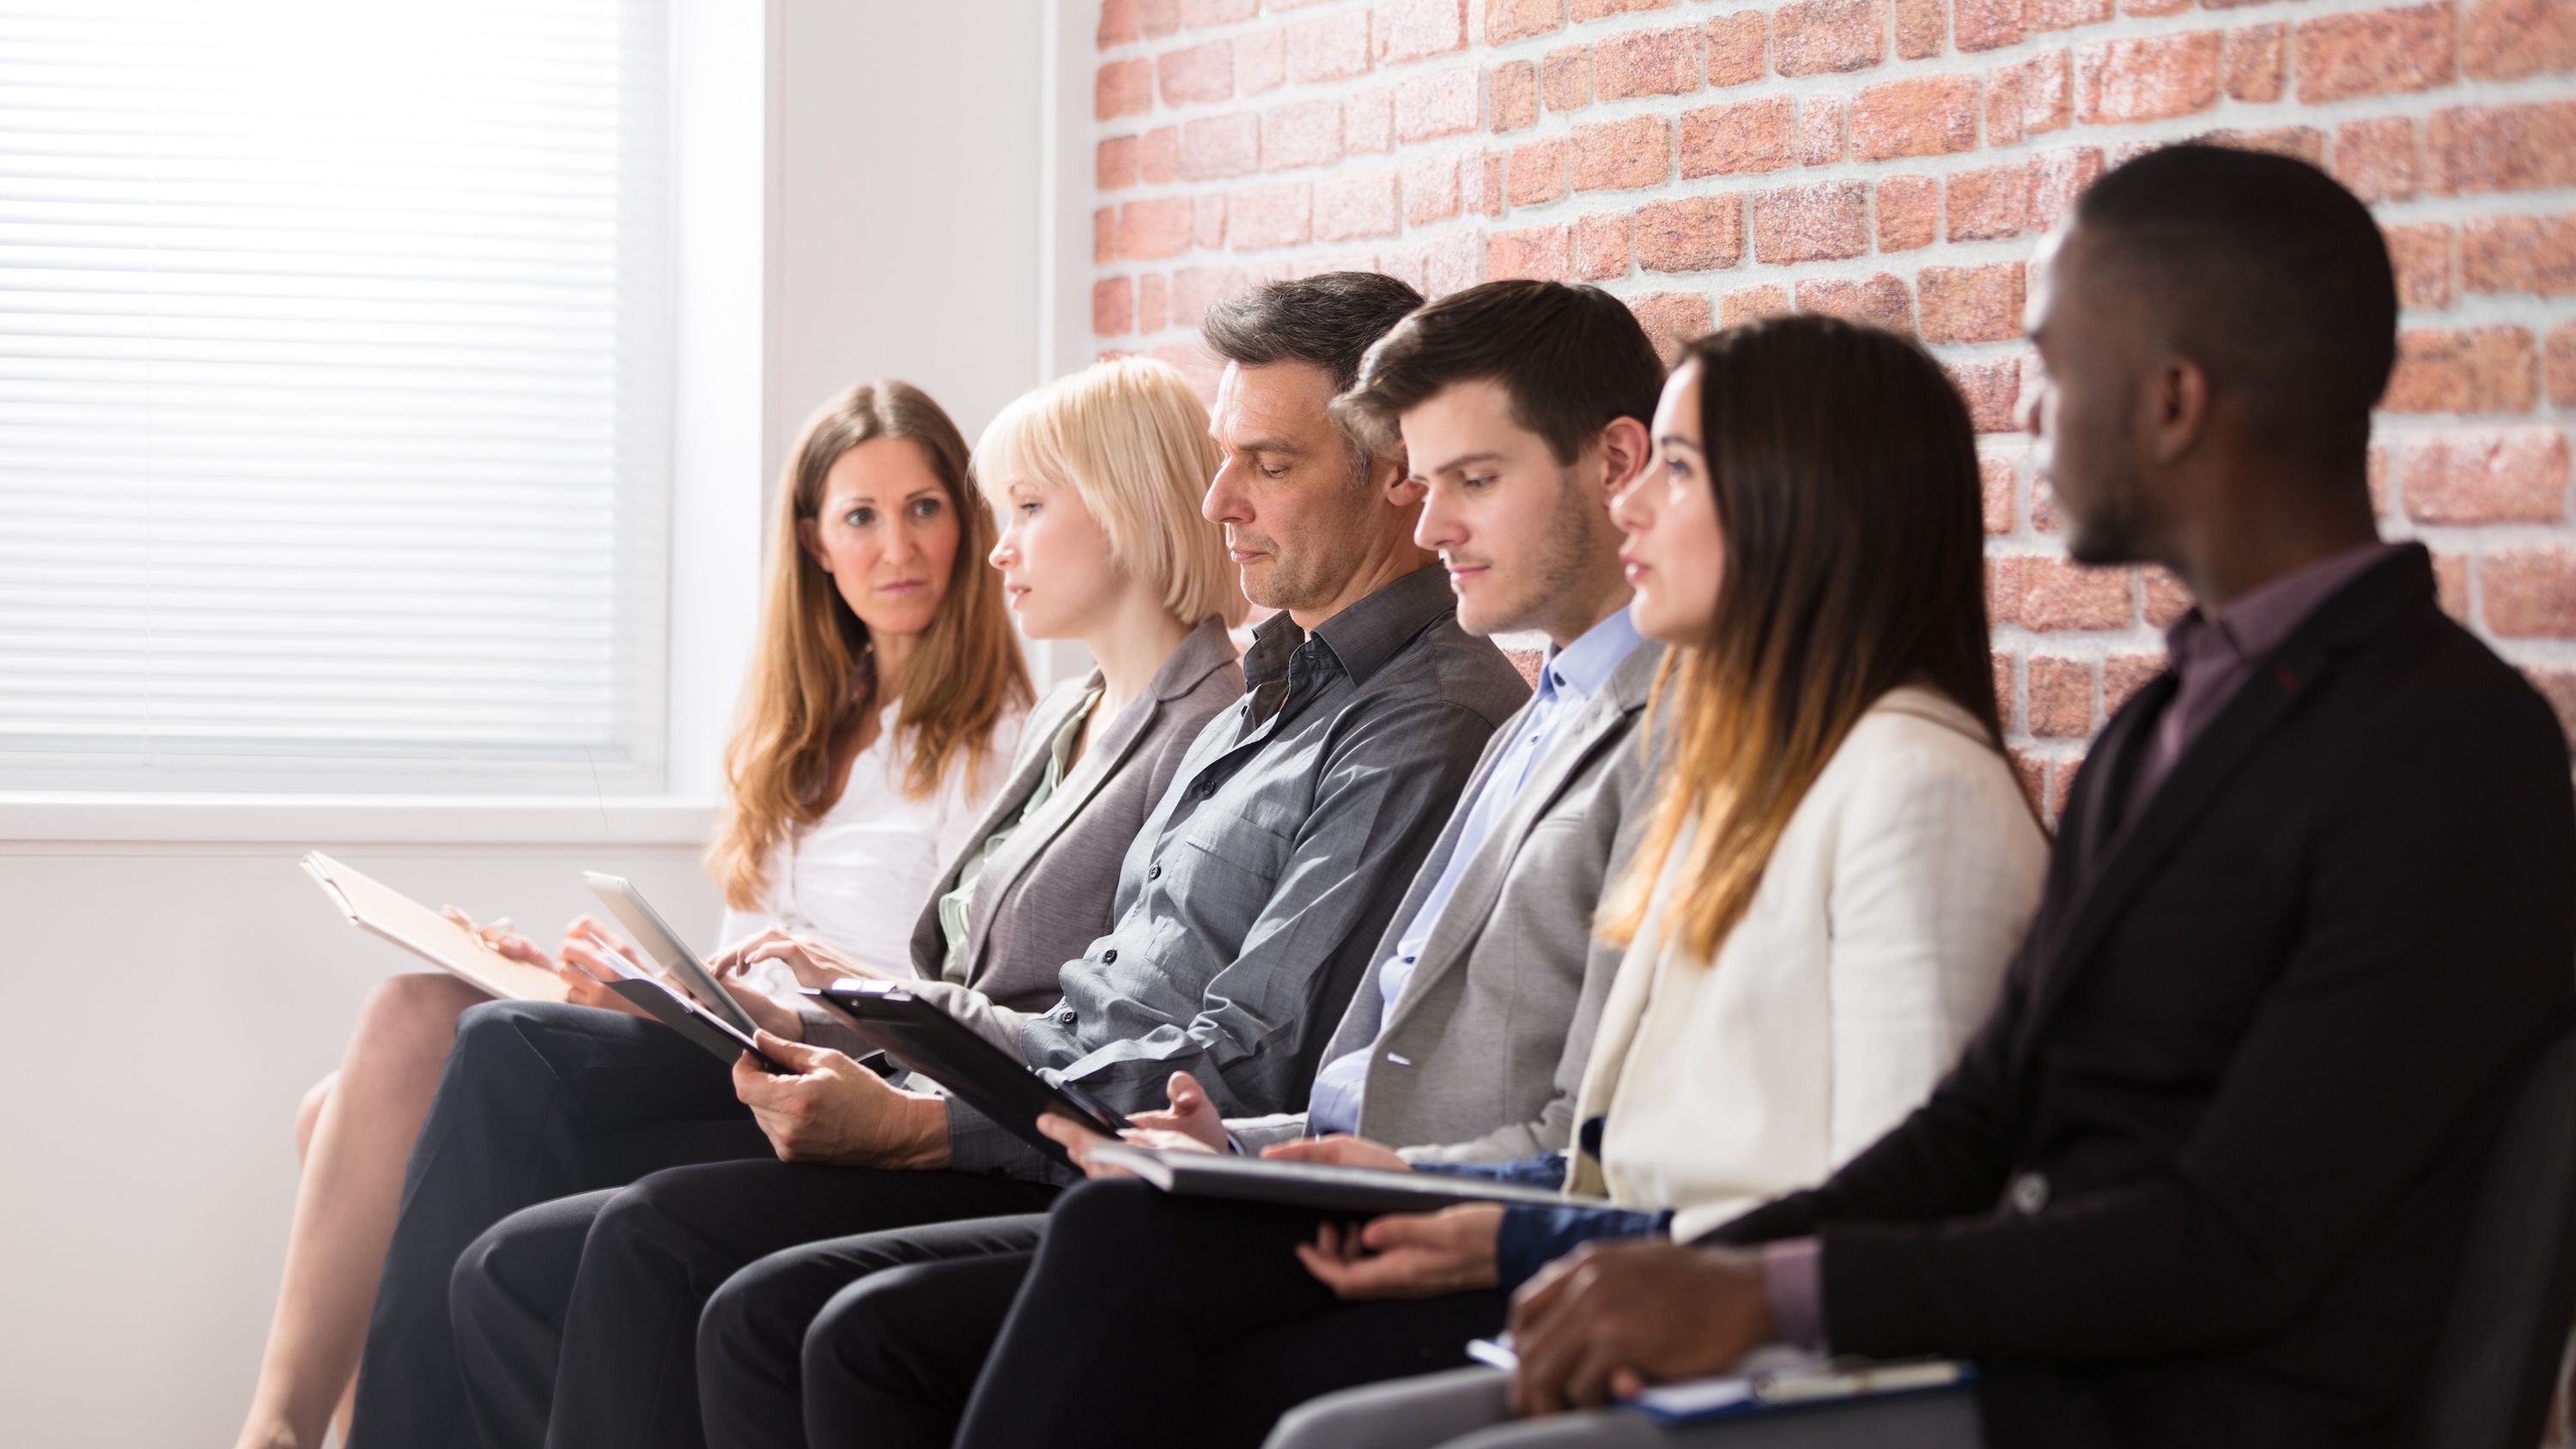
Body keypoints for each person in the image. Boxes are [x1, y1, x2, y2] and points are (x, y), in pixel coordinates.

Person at [1271, 144, 2576, 1449]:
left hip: (2174, 1408)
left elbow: (2239, 1238)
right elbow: (1977, 1121)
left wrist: (1765, 1291)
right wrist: (1689, 1276)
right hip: (2036, 1367)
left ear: (2174, 401)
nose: (2025, 414)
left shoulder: (2448, 749)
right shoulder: (2166, 724)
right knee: (1341, 1436)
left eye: (2060, 368)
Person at [877, 308, 2051, 1449]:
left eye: (1677, 469)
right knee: (1112, 1238)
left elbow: (1903, 1210)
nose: (1629, 498)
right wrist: (1347, 1168)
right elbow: (1612, 1143)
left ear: (1813, 503)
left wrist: (1498, 1234)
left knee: (1175, 1307)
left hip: (1737, 1339)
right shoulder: (1752, 772)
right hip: (1592, 1256)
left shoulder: (1913, 789)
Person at [433, 271, 1534, 1449]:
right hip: (1023, 1096)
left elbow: (1244, 1061)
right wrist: (854, 1025)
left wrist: (920, 1117)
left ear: (1392, 476)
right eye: (1224, 460)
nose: (1222, 501)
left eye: (1269, 464)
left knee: (679, 1251)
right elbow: (1087, 993)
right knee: (528, 1202)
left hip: (1087, 1145)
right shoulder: (1266, 697)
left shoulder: (1416, 719)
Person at [691, 277, 1674, 1449]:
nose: (1432, 522)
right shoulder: (1490, 705)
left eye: (1471, 480)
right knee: (764, 1277)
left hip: (1402, 1210)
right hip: (1264, 1156)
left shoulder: (1486, 713)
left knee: (826, 1308)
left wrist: (936, 1120)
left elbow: (1552, 1132)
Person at [332, 359, 1246, 1449]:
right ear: (817, 543)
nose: (989, 546)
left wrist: (834, 1003)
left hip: (942, 1091)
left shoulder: (1174, 725)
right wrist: (687, 991)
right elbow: (951, 962)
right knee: (485, 1076)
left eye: (1017, 510)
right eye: (864, 517)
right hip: (852, 1036)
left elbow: (1089, 1008)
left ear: (1135, 508)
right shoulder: (1064, 717)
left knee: (515, 1082)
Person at [234, 379, 1030, 1449]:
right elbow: (729, 962)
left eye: (926, 507)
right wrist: (586, 986)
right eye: (862, 516)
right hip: (731, 1036)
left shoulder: (995, 740)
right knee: (390, 1038)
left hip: (836, 1075)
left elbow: (938, 989)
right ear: (815, 544)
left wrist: (664, 1007)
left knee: (409, 1057)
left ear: (966, 524)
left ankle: (328, 1434)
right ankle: (292, 1429)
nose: (901, 546)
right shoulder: (804, 736)